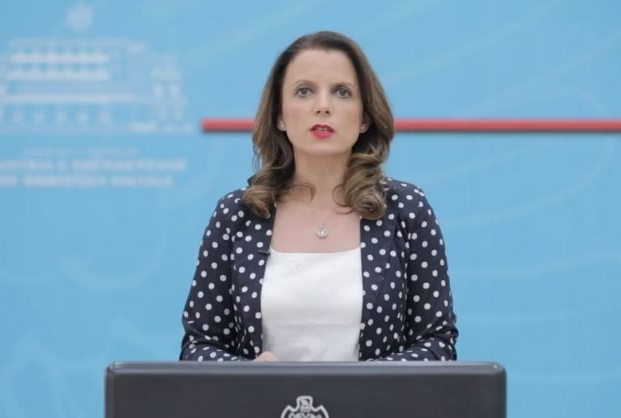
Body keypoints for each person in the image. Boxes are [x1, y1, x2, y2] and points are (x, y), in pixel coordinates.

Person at [180, 31, 457, 362]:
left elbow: (437, 344)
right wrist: (247, 375)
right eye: (304, 91)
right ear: (280, 115)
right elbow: (199, 345)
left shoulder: (406, 210)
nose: (323, 106)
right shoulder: (237, 214)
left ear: (365, 117)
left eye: (342, 92)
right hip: (260, 399)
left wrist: (363, 382)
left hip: (376, 399)